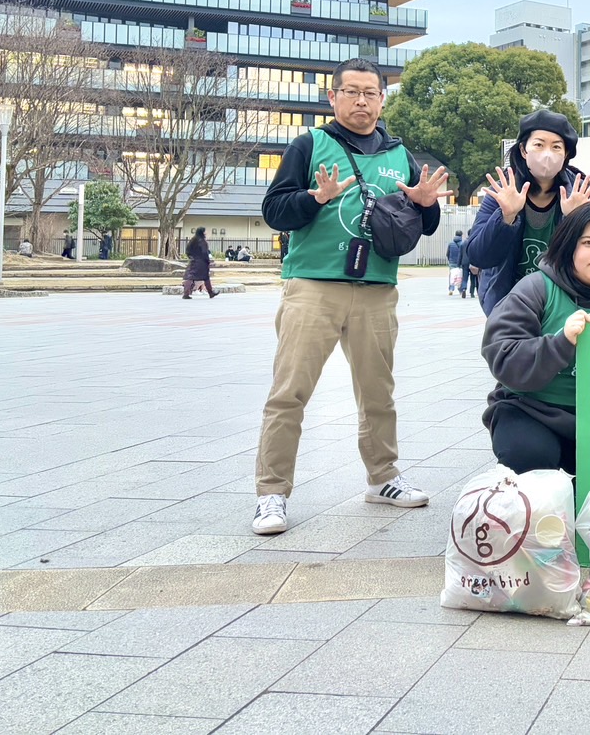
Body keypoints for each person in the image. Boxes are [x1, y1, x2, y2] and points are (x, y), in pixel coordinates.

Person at [252, 57, 450, 535]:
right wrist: (314, 199)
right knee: (289, 393)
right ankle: (271, 493)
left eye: (371, 93)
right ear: (333, 97)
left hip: (377, 289)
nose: (362, 100)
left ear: (383, 100)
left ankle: (383, 478)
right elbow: (275, 210)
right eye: (352, 91)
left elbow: (417, 227)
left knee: (378, 393)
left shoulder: (401, 155)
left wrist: (425, 207)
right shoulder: (309, 145)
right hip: (313, 287)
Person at [480, 203, 590, 474]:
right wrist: (560, 342)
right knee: (529, 454)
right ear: (569, 245)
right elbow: (503, 356)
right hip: (531, 409)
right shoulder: (535, 289)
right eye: (588, 242)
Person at [467, 110, 590, 316]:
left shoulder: (581, 195)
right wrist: (506, 217)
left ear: (565, 155)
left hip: (563, 308)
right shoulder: (502, 193)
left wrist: (574, 220)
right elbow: (478, 256)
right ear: (523, 149)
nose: (547, 153)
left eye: (556, 147)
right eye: (539, 144)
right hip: (508, 306)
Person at [183, 227, 218, 300]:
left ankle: (186, 293)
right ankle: (210, 292)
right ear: (202, 232)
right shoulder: (202, 241)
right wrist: (207, 261)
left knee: (190, 277)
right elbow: (204, 252)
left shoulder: (193, 240)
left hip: (193, 261)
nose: (206, 233)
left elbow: (187, 251)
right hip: (201, 262)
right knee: (206, 277)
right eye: (205, 231)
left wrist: (191, 257)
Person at [445, 229, 467, 297]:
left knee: (452, 275)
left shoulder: (451, 244)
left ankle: (451, 289)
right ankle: (460, 290)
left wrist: (450, 259)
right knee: (460, 276)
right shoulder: (463, 243)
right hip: (460, 262)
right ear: (461, 235)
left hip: (452, 262)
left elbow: (447, 253)